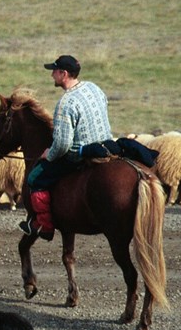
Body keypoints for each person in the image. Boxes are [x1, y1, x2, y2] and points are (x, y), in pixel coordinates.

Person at [19, 55, 113, 240]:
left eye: (54, 71)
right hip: (106, 146)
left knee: (35, 178)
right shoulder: (93, 87)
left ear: (63, 74)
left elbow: (62, 145)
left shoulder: (66, 103)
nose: (51, 75)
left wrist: (49, 154)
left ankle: (44, 226)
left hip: (80, 154)